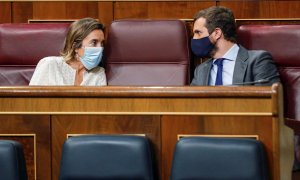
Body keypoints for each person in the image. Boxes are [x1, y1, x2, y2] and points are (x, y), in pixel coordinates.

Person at [190, 6, 280, 86]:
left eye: (198, 33)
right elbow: (191, 103)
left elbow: (267, 102)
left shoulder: (258, 61)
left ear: (217, 33)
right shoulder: (201, 70)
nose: (194, 38)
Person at [29, 18, 107, 86]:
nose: (100, 48)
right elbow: (30, 99)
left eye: (102, 43)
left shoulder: (99, 72)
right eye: (94, 42)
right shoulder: (49, 64)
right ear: (75, 46)